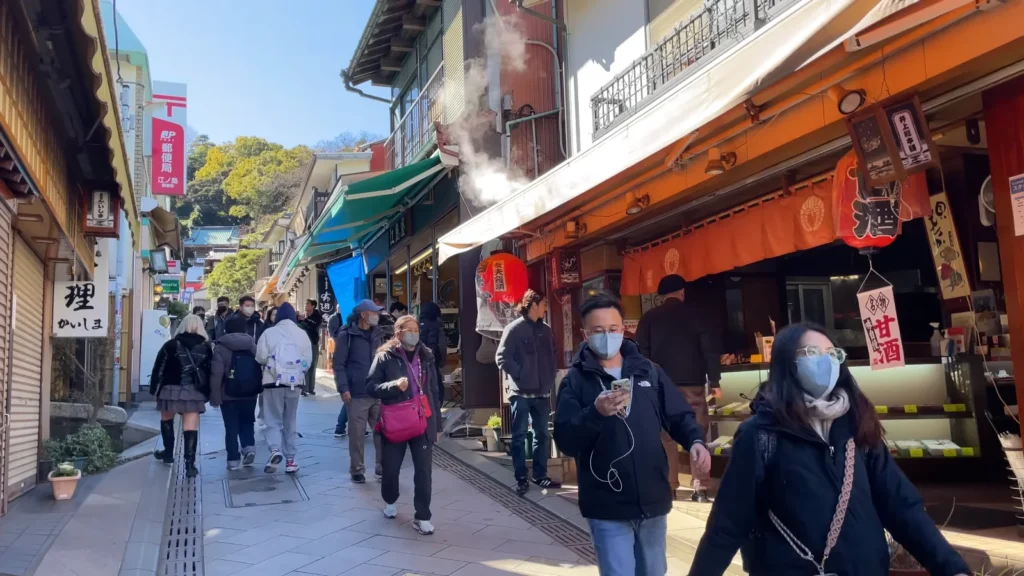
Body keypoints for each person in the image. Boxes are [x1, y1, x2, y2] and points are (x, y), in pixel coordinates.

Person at [689, 324, 970, 576]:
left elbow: (901, 507)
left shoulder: (857, 425)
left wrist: (950, 567)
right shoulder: (760, 435)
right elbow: (728, 524)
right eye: (812, 352)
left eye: (832, 353)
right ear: (787, 363)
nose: (825, 361)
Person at [554, 294, 710, 576]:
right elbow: (565, 439)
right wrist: (595, 413)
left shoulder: (648, 371)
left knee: (653, 571)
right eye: (597, 331)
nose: (607, 336)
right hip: (606, 504)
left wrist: (696, 441)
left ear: (623, 328)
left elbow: (678, 414)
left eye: (612, 329)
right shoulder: (575, 381)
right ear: (584, 334)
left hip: (652, 498)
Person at [637, 274, 721, 502]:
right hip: (693, 384)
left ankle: (670, 485)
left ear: (662, 296)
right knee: (697, 434)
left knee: (666, 437)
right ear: (682, 292)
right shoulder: (697, 316)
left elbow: (641, 353)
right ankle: (700, 488)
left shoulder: (649, 318)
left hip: (661, 386)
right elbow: (709, 351)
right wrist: (714, 382)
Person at [367, 314, 443, 535]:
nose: (413, 333)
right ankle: (390, 500)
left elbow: (434, 392)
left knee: (424, 471)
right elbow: (371, 386)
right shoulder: (385, 357)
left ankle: (423, 516)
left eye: (416, 329)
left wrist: (436, 424)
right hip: (396, 422)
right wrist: (392, 386)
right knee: (391, 468)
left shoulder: (426, 356)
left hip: (421, 420)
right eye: (408, 329)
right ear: (398, 333)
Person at [495, 289, 560, 495]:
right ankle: (521, 477)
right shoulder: (514, 329)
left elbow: (553, 354)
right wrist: (521, 374)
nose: (545, 308)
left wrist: (549, 376)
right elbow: (502, 358)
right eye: (543, 304)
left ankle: (540, 475)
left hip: (542, 392)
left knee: (542, 435)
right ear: (533, 305)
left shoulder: (546, 330)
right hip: (521, 393)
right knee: (519, 436)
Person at [149, 314, 213, 478]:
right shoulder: (205, 347)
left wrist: (155, 390)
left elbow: (159, 369)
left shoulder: (170, 345)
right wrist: (209, 392)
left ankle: (168, 453)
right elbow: (209, 371)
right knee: (190, 427)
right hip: (193, 391)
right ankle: (189, 465)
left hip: (170, 388)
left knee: (167, 420)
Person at [255, 302, 313, 474]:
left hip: (272, 382)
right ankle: (290, 460)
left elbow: (260, 357)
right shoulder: (302, 334)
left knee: (272, 419)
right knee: (290, 420)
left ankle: (275, 450)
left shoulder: (268, 333)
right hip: (295, 383)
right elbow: (307, 362)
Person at [333, 299, 385, 480]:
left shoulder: (378, 334)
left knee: (383, 431)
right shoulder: (346, 335)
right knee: (356, 435)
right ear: (364, 315)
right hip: (356, 393)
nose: (377, 316)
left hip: (378, 391)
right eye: (374, 312)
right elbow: (339, 365)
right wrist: (343, 388)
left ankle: (382, 466)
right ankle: (357, 470)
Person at [208, 315, 261, 471]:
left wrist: (215, 397)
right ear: (244, 328)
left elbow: (216, 374)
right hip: (250, 392)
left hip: (228, 393)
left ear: (226, 328)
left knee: (231, 427)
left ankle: (233, 459)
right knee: (247, 421)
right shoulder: (252, 345)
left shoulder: (221, 346)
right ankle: (249, 447)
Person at [418, 302, 447, 404]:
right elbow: (442, 346)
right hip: (432, 360)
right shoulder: (437, 325)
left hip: (416, 362)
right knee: (436, 386)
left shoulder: (415, 324)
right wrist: (443, 361)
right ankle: (436, 411)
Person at [298, 299, 324, 396]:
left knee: (312, 365)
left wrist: (304, 320)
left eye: (308, 304)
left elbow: (314, 324)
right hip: (303, 344)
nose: (306, 305)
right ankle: (304, 388)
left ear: (313, 306)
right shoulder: (303, 316)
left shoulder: (317, 316)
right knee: (304, 365)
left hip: (313, 343)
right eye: (305, 304)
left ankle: (310, 388)